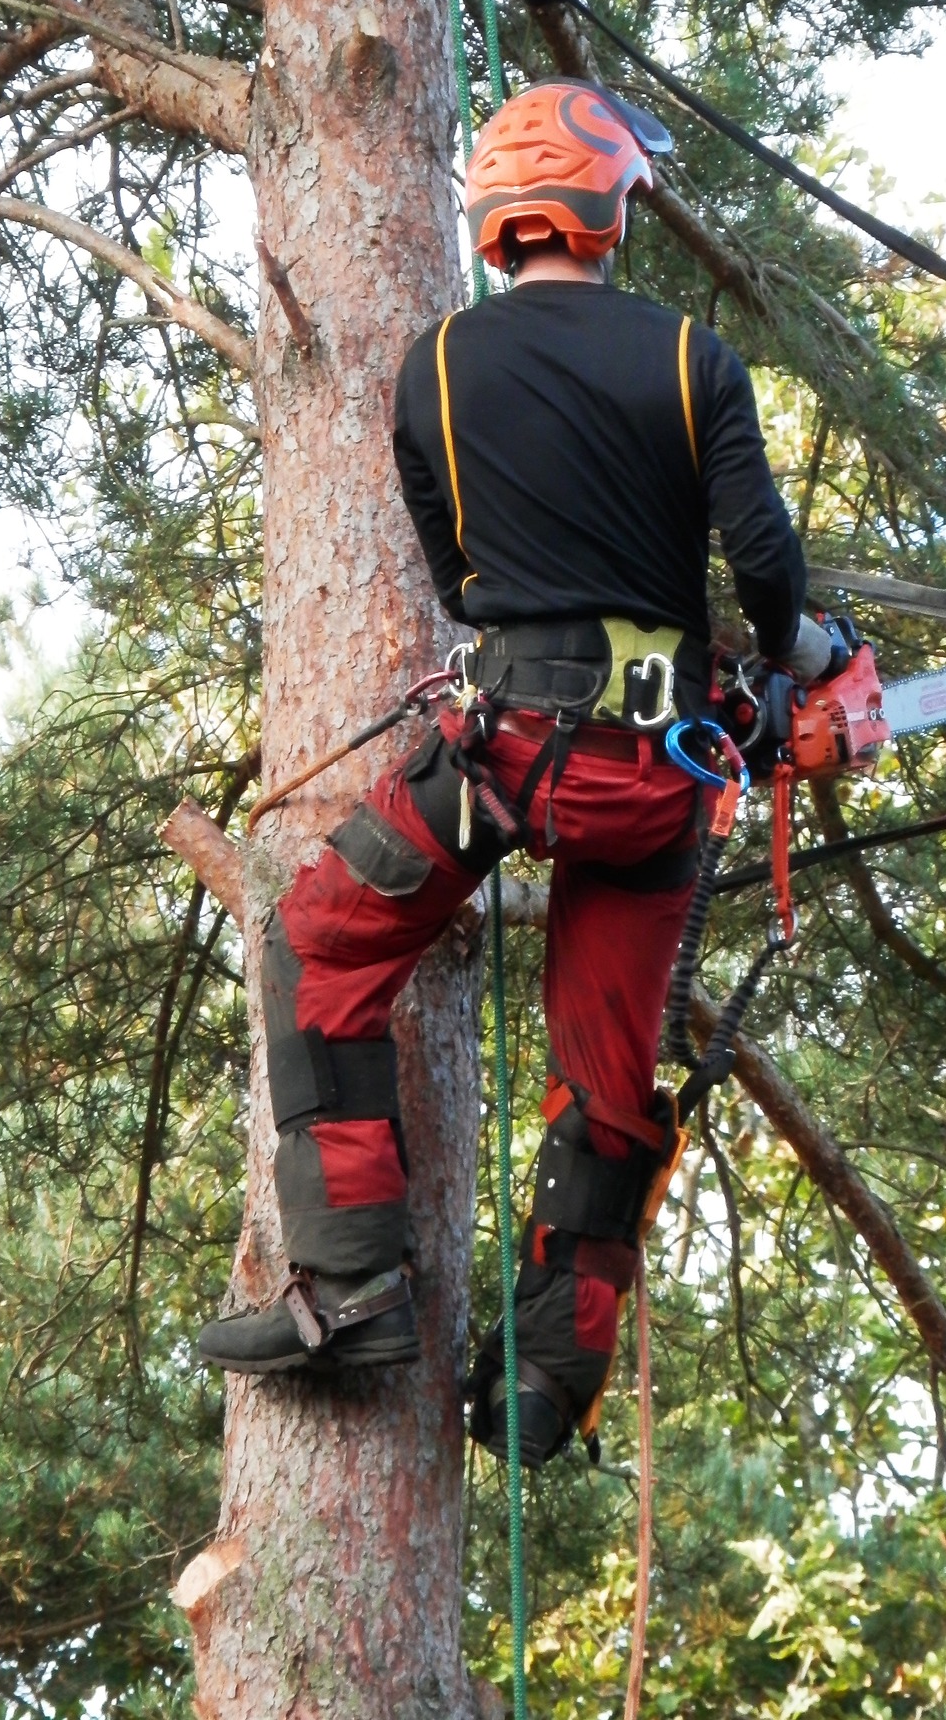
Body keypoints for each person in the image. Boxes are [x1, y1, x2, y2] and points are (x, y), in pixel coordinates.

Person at [198, 79, 841, 1466]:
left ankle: (354, 1282)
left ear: (501, 221)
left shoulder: (431, 364)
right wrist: (807, 651)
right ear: (608, 208)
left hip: (506, 760)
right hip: (659, 781)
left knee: (318, 954)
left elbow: (454, 576)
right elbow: (768, 574)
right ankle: (547, 1377)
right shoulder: (689, 359)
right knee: (605, 1077)